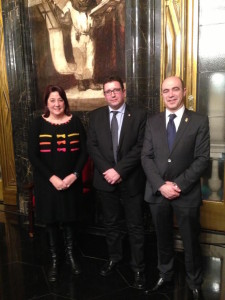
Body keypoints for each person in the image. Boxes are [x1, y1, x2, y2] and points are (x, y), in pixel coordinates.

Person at [141, 76, 210, 299]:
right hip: (158, 191)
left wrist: (178, 185)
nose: (170, 95)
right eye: (165, 91)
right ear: (161, 94)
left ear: (184, 91)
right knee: (162, 237)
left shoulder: (199, 121)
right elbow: (146, 157)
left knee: (190, 240)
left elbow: (201, 159)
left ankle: (194, 281)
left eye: (175, 90)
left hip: (186, 192)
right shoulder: (152, 122)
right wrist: (161, 185)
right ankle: (165, 274)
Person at [87, 75, 147, 289]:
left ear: (124, 91)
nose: (112, 94)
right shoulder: (95, 116)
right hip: (105, 181)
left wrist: (119, 171)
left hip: (131, 180)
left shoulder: (139, 115)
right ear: (104, 94)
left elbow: (140, 147)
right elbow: (92, 146)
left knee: (135, 225)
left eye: (116, 90)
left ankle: (138, 268)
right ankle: (114, 257)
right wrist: (108, 171)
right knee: (110, 223)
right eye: (108, 91)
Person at [28, 84, 87, 282]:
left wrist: (75, 175)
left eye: (60, 100)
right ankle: (54, 259)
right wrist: (52, 178)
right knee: (51, 221)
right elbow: (33, 155)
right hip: (47, 183)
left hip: (71, 182)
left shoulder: (76, 122)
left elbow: (84, 152)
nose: (57, 104)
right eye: (52, 100)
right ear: (46, 103)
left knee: (69, 219)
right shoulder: (38, 123)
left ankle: (70, 257)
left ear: (65, 102)